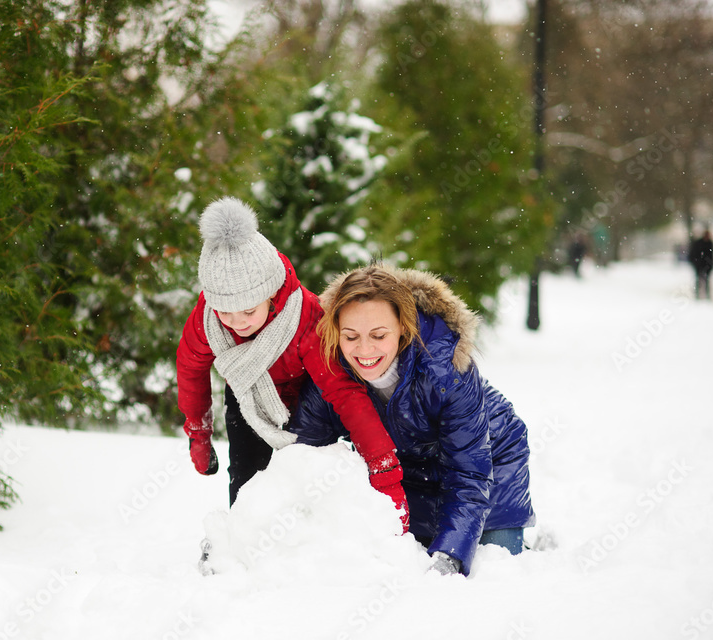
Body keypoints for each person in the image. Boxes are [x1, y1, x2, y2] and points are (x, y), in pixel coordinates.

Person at [176, 198, 408, 531]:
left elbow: (344, 393)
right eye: (225, 311)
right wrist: (197, 433)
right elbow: (191, 371)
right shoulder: (206, 320)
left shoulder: (306, 319)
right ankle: (243, 542)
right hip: (245, 396)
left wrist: (385, 470)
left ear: (271, 294)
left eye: (248, 311)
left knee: (304, 478)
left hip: (305, 401)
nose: (236, 322)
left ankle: (311, 542)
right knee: (246, 478)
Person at [287, 264, 535, 576]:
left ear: (404, 326)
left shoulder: (444, 368)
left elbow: (469, 474)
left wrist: (450, 556)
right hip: (410, 466)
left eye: (378, 335)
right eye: (351, 336)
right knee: (405, 551)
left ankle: (522, 544)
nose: (364, 350)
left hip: (489, 459)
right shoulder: (329, 372)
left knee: (493, 561)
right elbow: (300, 461)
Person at [688, 229, 713, 300]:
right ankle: (698, 294)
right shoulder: (700, 243)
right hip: (699, 265)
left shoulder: (709, 243)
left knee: (706, 280)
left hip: (706, 265)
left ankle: (706, 294)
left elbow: (710, 256)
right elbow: (694, 254)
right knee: (699, 280)